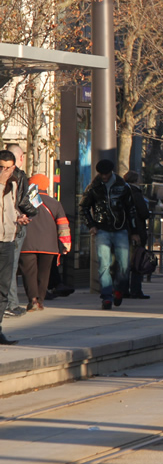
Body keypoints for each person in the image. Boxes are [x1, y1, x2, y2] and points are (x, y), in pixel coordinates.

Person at [79, 159, 141, 310]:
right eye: (102, 174)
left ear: (111, 172)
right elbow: (84, 207)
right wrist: (92, 225)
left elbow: (131, 209)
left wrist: (134, 232)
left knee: (124, 264)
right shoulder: (94, 187)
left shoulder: (122, 186)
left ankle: (118, 289)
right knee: (104, 264)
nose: (104, 177)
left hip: (120, 229)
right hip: (102, 229)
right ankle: (107, 296)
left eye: (106, 174)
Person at [0, 151, 37, 344]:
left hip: (7, 238)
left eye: (9, 168)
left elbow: (12, 207)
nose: (5, 171)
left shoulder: (14, 184)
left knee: (3, 287)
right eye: (1, 167)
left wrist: (19, 217)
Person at [19, 174, 70, 312]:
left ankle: (33, 300)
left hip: (26, 244)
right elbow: (63, 224)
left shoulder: (22, 202)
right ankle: (40, 300)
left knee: (29, 273)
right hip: (49, 245)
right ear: (46, 186)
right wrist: (66, 243)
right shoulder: (54, 203)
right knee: (44, 273)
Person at [3, 144, 32, 319]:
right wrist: (27, 213)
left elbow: (11, 206)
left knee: (8, 268)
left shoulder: (14, 180)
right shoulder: (18, 177)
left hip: (11, 226)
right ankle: (10, 303)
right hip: (10, 229)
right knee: (9, 268)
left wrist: (19, 215)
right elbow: (23, 203)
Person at [122, 171, 151, 299]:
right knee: (137, 261)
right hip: (136, 231)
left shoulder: (122, 192)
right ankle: (136, 289)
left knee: (125, 262)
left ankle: (123, 289)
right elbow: (143, 212)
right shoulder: (136, 193)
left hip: (123, 231)